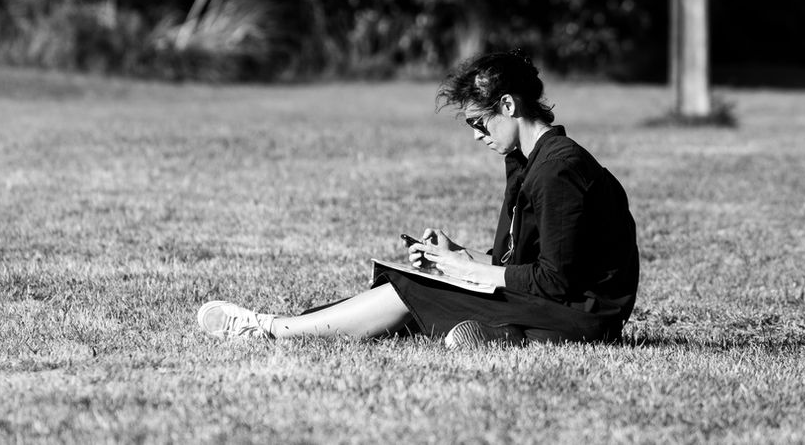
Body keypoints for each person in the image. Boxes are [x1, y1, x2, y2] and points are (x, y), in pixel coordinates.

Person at [197, 50, 639, 347]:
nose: (476, 135)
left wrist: (463, 270)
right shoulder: (527, 161)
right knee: (416, 285)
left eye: (479, 122)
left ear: (508, 105)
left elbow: (555, 281)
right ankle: (489, 332)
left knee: (415, 290)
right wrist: (460, 256)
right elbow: (521, 263)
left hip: (579, 318)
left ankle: (270, 329)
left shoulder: (558, 169)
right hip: (556, 306)